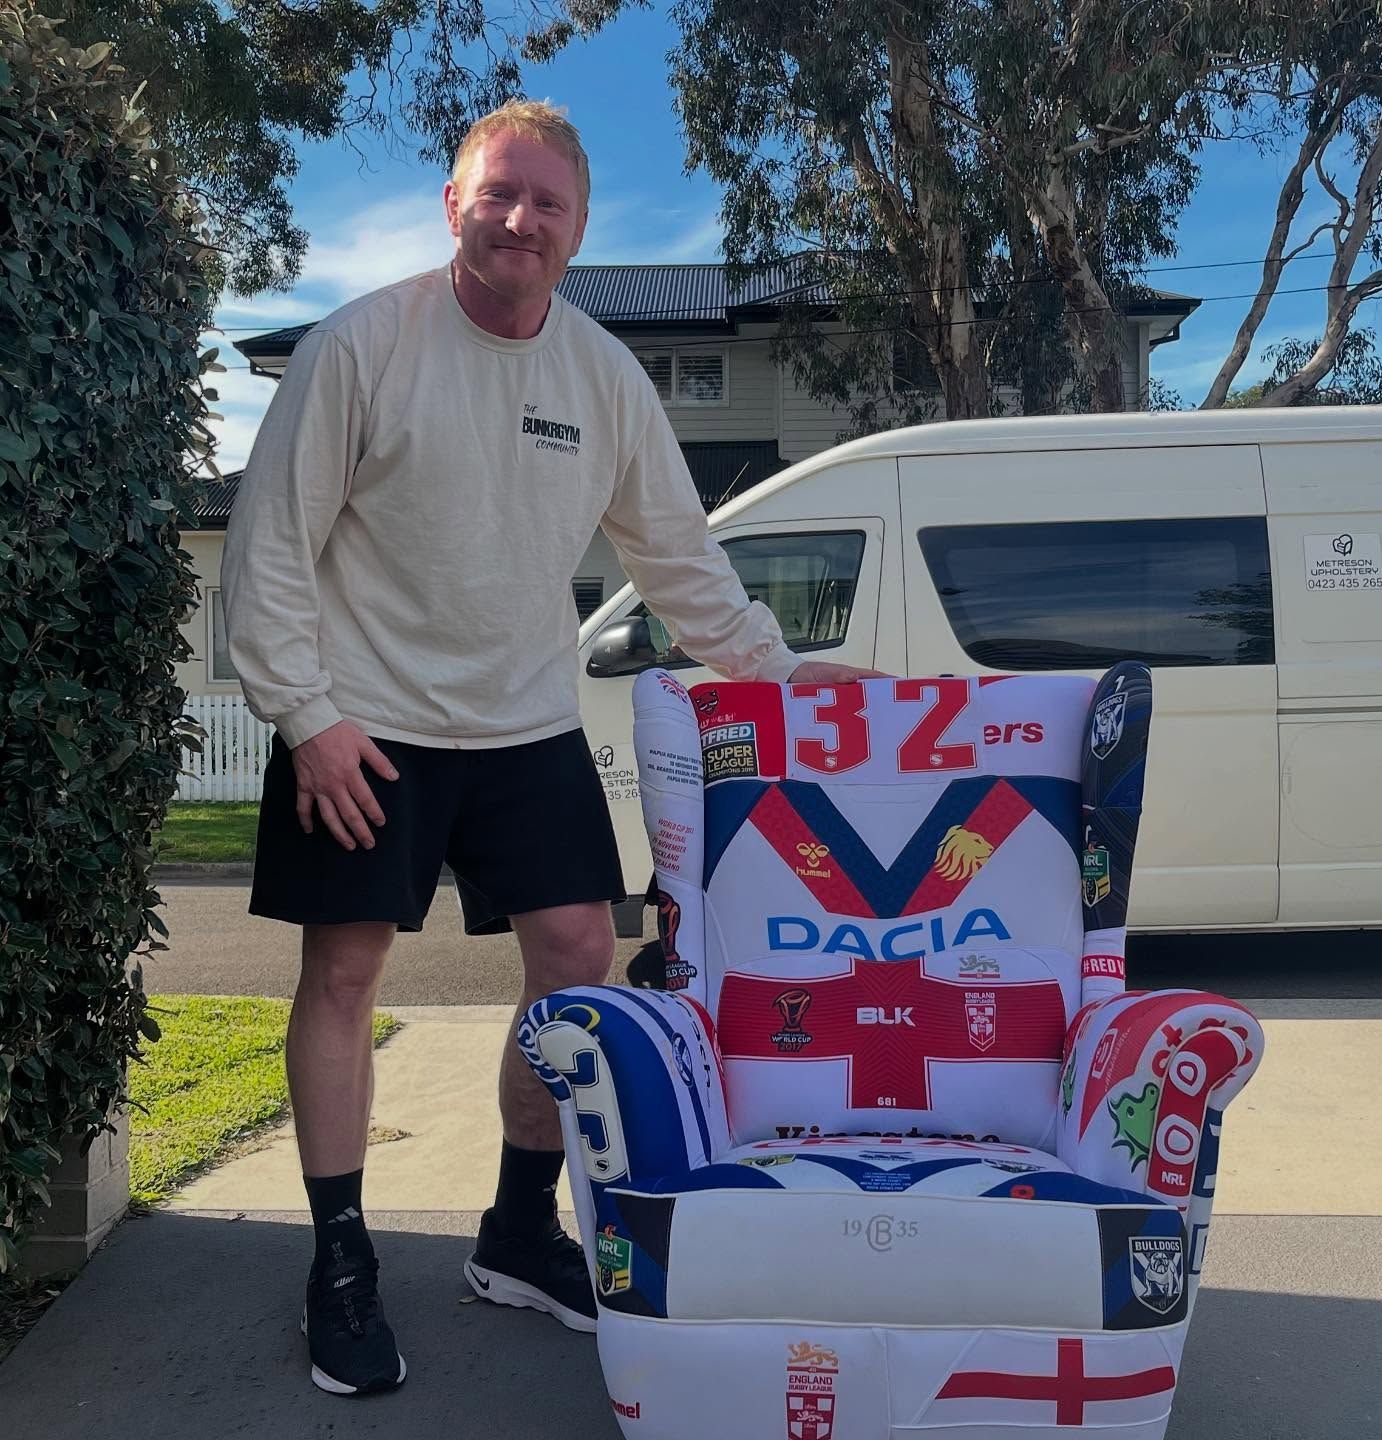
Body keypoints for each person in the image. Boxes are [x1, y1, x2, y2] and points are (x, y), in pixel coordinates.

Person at [220, 98, 881, 1397]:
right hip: (362, 725)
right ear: (453, 204)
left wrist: (787, 672)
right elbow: (269, 552)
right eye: (496, 193)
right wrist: (310, 721)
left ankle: (522, 1227)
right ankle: (341, 1255)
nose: (519, 218)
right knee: (347, 972)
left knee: (579, 960)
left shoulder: (600, 376)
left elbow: (680, 564)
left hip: (525, 722)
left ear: (579, 231)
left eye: (546, 203)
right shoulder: (361, 347)